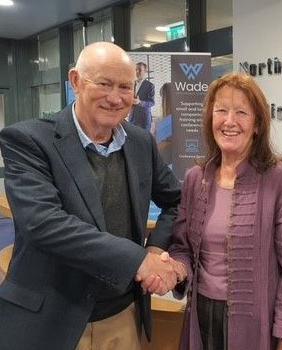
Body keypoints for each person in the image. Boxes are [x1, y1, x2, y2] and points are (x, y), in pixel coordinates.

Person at [0, 42, 183, 350]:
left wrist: (155, 249)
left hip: (122, 317)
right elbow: (44, 224)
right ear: (76, 81)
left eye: (125, 86)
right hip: (48, 320)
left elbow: (175, 201)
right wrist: (138, 261)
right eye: (104, 83)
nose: (115, 97)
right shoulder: (28, 140)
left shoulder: (140, 142)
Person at [168, 72, 282, 350]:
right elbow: (182, 247)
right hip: (201, 319)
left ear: (257, 124)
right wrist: (174, 268)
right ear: (210, 119)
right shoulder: (196, 178)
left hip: (257, 326)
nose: (229, 121)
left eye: (241, 112)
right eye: (221, 110)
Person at [129, 61, 155, 131]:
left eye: (140, 70)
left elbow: (152, 102)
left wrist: (140, 102)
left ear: (145, 71)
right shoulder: (131, 84)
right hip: (132, 118)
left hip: (144, 120)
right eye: (136, 69)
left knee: (144, 140)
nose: (137, 72)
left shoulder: (150, 85)